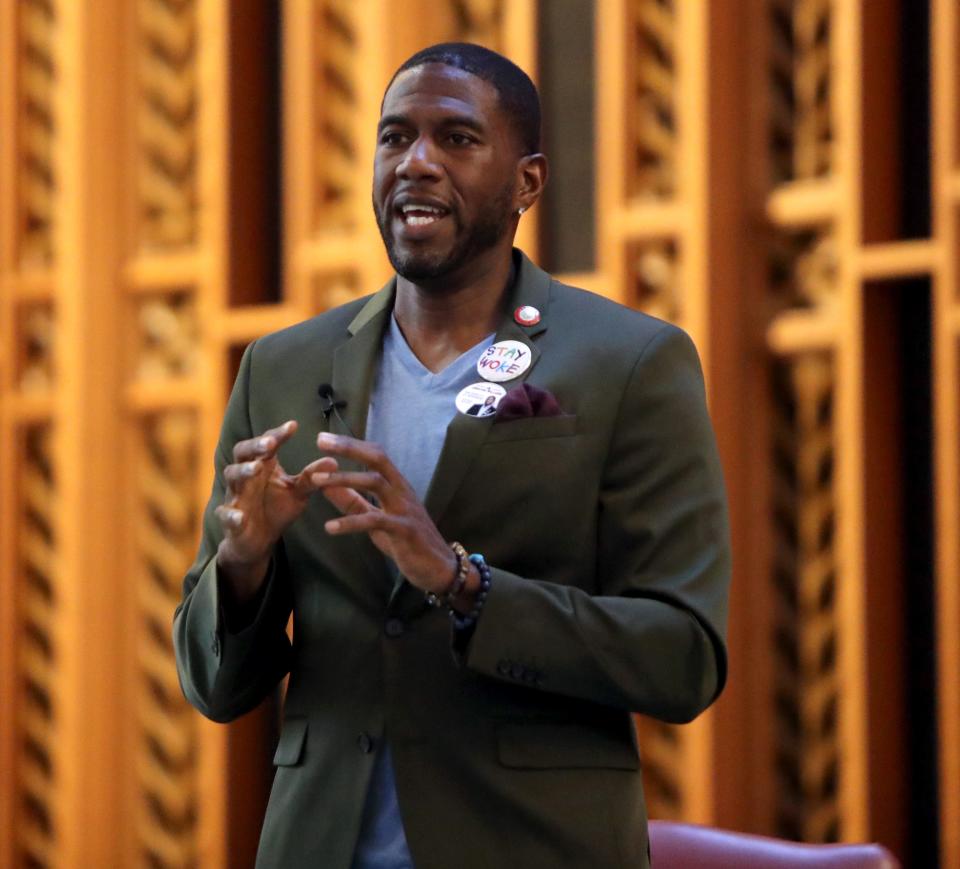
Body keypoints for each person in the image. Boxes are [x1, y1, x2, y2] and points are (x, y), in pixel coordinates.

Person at [173, 42, 730, 869]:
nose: (418, 163)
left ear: (528, 181)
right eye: (395, 138)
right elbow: (213, 685)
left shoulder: (628, 362)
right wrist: (244, 565)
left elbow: (684, 655)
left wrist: (464, 584)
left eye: (457, 139)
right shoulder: (281, 367)